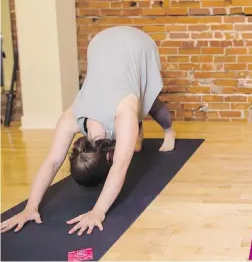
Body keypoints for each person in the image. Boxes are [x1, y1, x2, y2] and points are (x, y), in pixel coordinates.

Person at [0, 26, 176, 236]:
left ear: (109, 154)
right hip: (99, 43)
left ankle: (169, 131)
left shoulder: (122, 113)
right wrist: (30, 208)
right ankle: (134, 134)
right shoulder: (71, 118)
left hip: (134, 44)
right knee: (130, 115)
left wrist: (98, 211)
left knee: (149, 104)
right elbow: (53, 161)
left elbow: (120, 166)